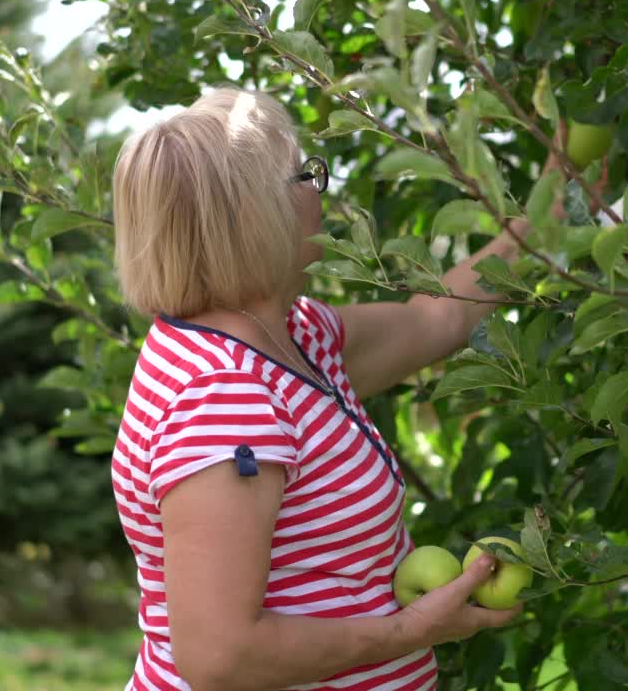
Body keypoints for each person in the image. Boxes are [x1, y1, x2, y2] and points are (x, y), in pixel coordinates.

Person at [110, 87, 563, 691]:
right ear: (255, 215)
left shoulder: (291, 336)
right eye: (306, 174)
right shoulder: (225, 396)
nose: (323, 191)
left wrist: (547, 217)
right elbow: (222, 656)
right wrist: (411, 631)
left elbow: (435, 320)